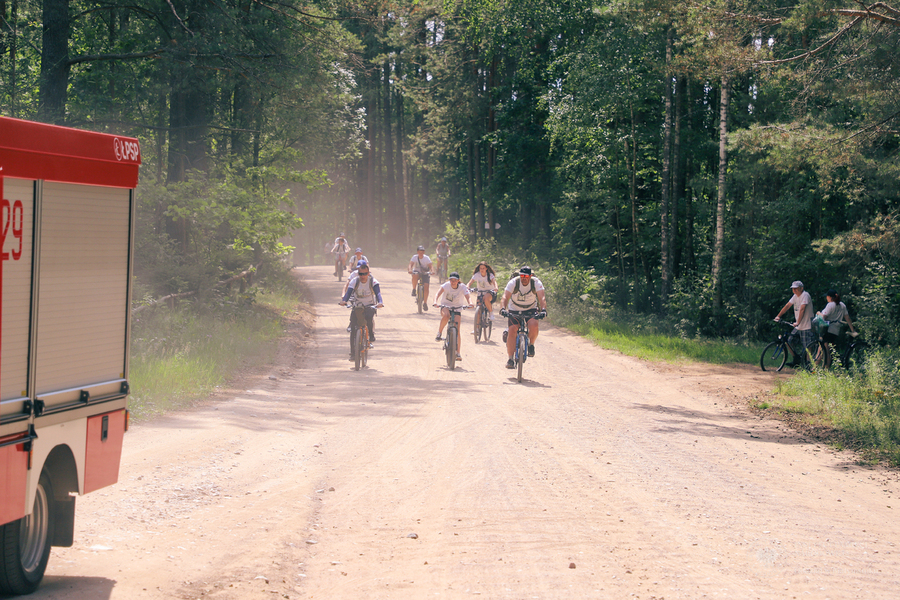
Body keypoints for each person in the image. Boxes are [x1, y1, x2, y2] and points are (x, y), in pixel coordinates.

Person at [499, 266, 547, 369]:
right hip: (514, 309)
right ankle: (510, 359)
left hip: (530, 309)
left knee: (534, 325)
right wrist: (503, 308)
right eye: (522, 276)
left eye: (526, 276)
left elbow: (542, 297)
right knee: (512, 330)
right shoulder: (513, 282)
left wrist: (543, 310)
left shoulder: (536, 283)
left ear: (530, 276)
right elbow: (505, 297)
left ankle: (531, 344)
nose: (524, 278)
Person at [339, 262, 383, 356]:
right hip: (357, 305)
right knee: (353, 328)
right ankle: (353, 353)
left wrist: (380, 302)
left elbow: (378, 293)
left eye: (365, 274)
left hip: (370, 305)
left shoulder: (373, 281)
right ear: (358, 273)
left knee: (369, 319)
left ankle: (371, 335)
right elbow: (348, 293)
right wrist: (344, 301)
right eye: (361, 274)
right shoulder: (354, 281)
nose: (363, 276)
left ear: (368, 273)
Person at [433, 271, 473, 360]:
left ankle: (458, 353)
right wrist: (435, 302)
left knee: (457, 330)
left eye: (455, 280)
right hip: (446, 306)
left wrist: (470, 303)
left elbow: (468, 296)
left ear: (458, 280)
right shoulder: (446, 285)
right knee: (446, 315)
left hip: (457, 308)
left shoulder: (463, 287)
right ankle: (439, 333)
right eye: (451, 280)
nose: (453, 282)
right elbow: (437, 294)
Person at [774, 280, 815, 364]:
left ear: (801, 288)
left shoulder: (805, 295)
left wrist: (798, 322)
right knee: (789, 341)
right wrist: (778, 316)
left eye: (796, 288)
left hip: (806, 325)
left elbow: (802, 309)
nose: (794, 290)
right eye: (793, 288)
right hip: (798, 325)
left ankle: (808, 363)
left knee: (807, 346)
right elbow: (787, 306)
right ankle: (796, 359)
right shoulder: (795, 296)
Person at [408, 245, 434, 311]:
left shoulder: (426, 258)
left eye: (422, 252)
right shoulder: (414, 257)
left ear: (424, 252)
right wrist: (410, 269)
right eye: (419, 252)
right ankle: (414, 289)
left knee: (426, 286)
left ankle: (425, 303)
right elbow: (410, 264)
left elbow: (431, 266)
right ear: (417, 252)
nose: (421, 253)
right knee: (415, 275)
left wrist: (432, 271)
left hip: (425, 273)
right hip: (417, 272)